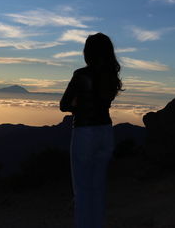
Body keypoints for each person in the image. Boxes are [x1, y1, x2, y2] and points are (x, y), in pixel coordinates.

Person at [60, 33, 123, 228]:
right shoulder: (111, 76)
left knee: (82, 191)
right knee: (98, 189)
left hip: (84, 133)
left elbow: (64, 105)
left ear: (88, 53)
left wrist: (78, 105)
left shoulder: (81, 75)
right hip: (105, 131)